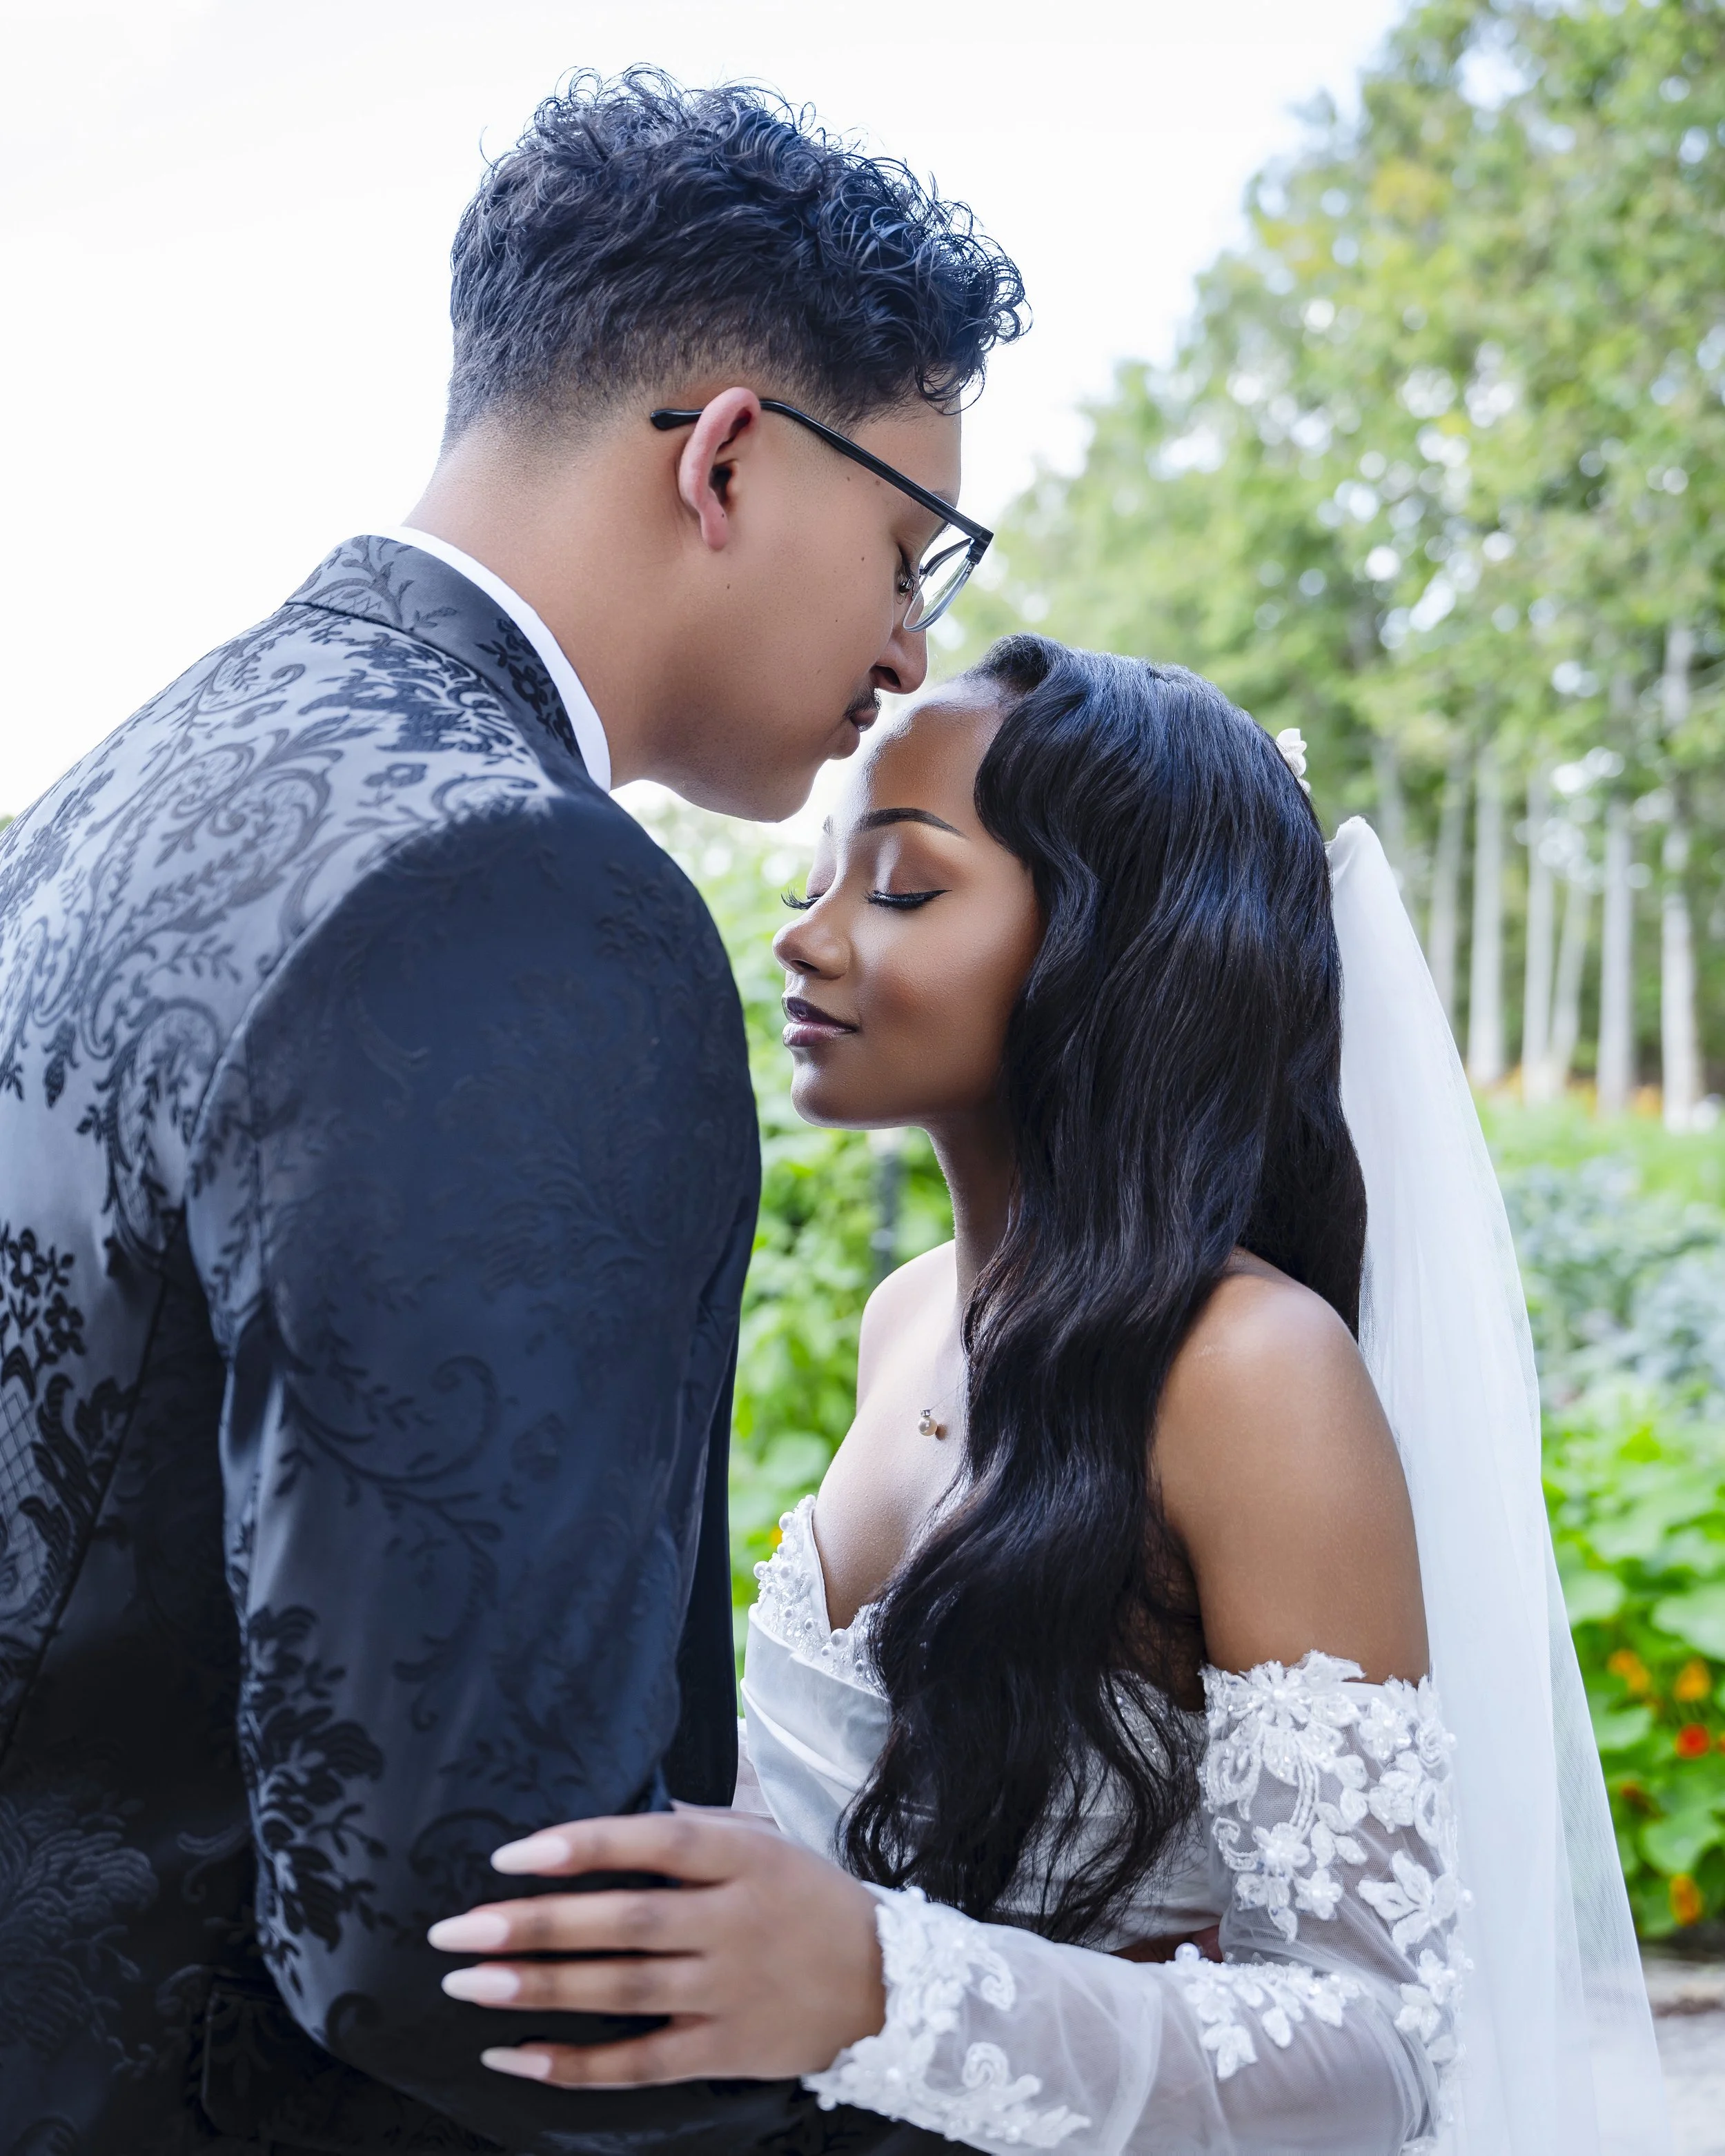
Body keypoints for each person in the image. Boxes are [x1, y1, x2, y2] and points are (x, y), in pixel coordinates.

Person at [0, 69, 1025, 2155]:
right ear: (730, 455)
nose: (909, 646)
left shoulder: (92, 803)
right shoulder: (519, 894)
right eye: (906, 548)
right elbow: (474, 1934)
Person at [430, 640, 1673, 2155]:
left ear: (1118, 947)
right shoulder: (906, 1316)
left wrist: (875, 1983)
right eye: (819, 878)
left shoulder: (1246, 1370)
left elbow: (1374, 2044)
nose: (803, 939)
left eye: (895, 887)